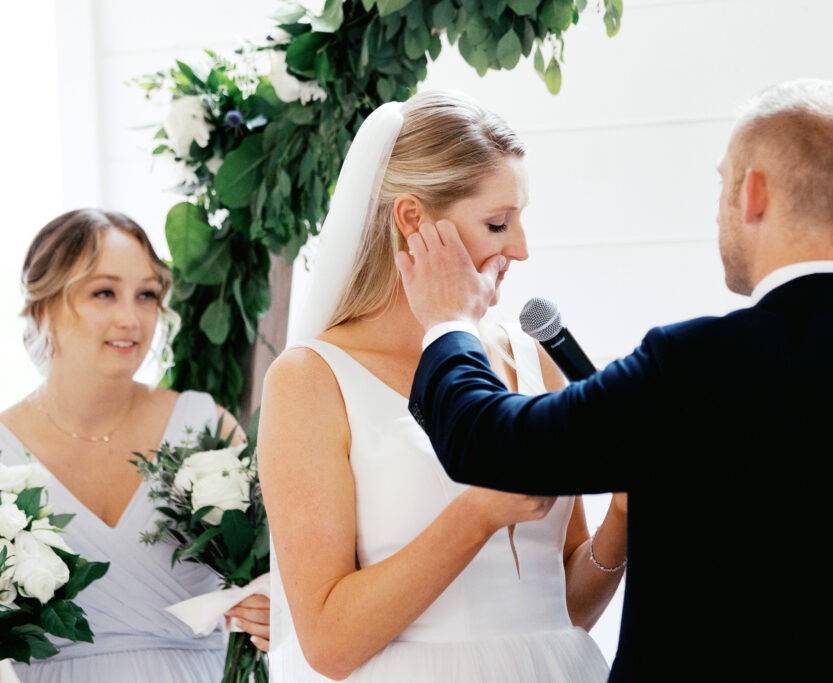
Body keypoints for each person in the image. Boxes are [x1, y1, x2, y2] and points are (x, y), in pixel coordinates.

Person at [399, 79, 833, 682]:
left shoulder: (690, 367)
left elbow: (489, 442)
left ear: (754, 192)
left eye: (722, 184)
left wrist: (449, 320)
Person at [257, 92, 627, 682]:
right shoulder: (312, 380)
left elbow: (568, 609)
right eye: (497, 223)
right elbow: (328, 643)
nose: (522, 248)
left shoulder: (533, 358)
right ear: (412, 220)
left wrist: (624, 521)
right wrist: (477, 514)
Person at [0, 209, 270, 682]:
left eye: (146, 295)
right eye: (104, 293)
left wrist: (272, 611)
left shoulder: (208, 429)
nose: (131, 318)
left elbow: (282, 577)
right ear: (44, 305)